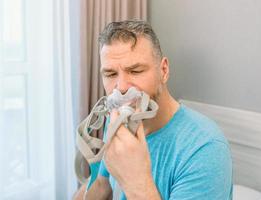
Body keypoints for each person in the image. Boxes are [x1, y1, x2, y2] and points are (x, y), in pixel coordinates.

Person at [73, 20, 233, 200]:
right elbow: (101, 184)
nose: (121, 88)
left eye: (135, 71)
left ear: (163, 71)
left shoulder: (205, 149)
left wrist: (136, 182)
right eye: (110, 74)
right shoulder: (118, 121)